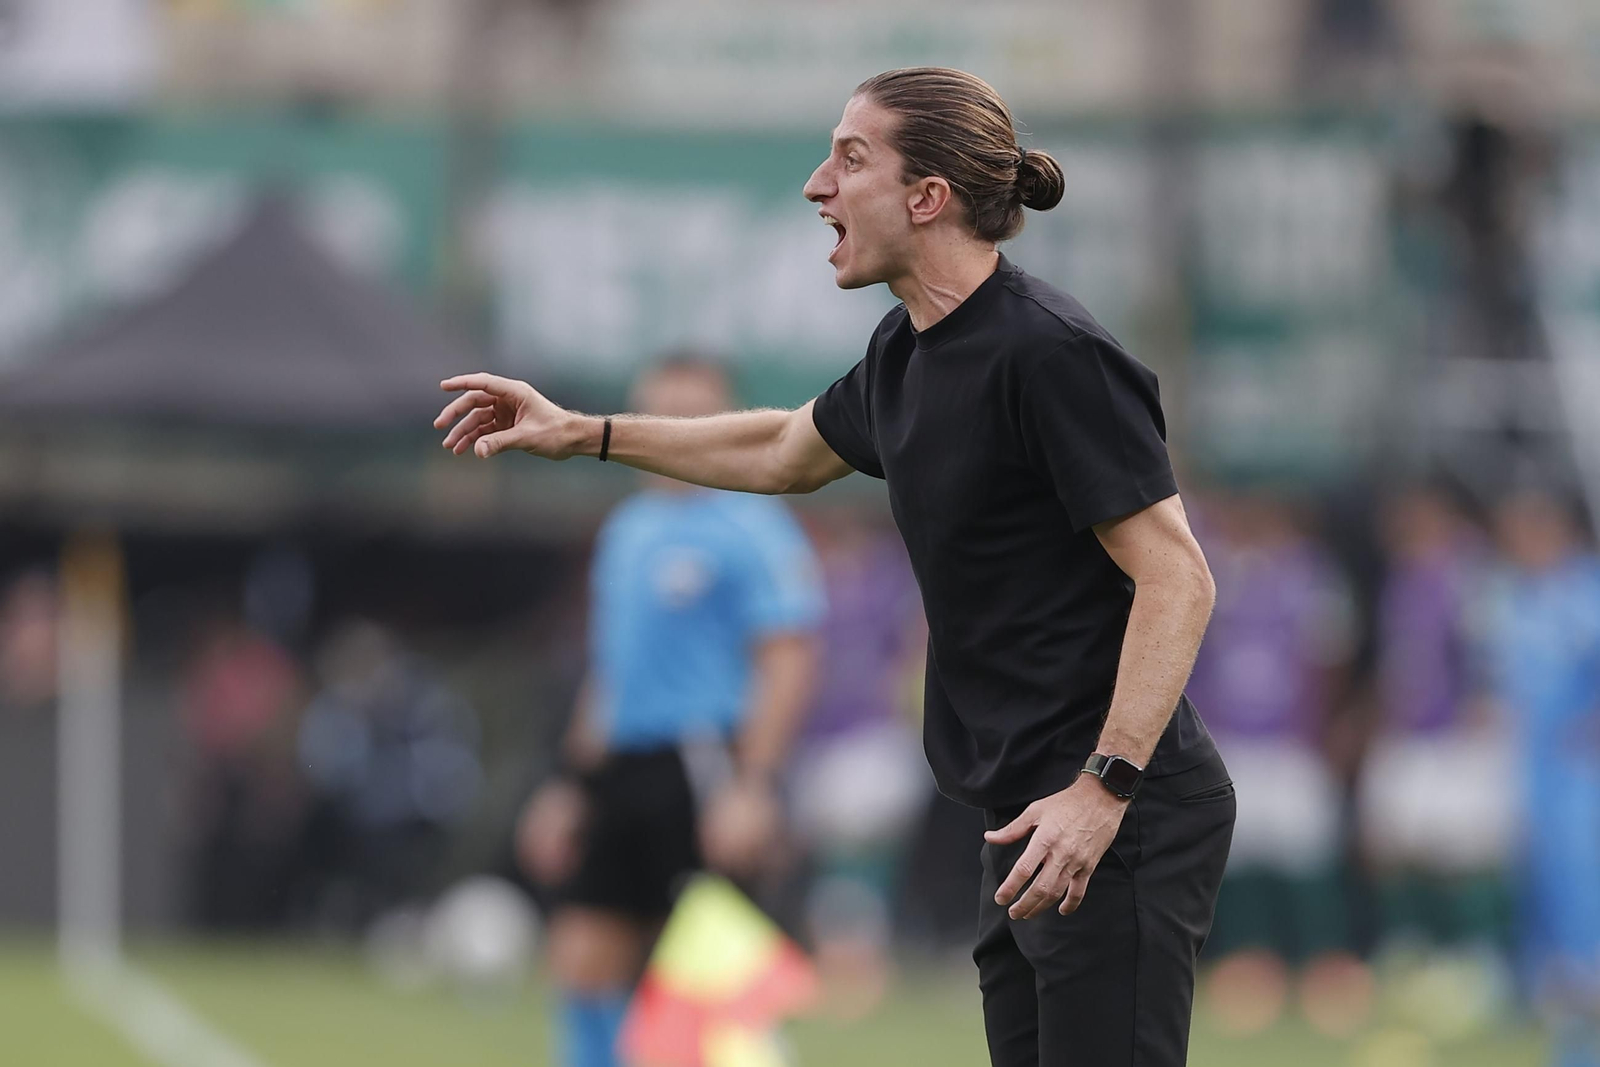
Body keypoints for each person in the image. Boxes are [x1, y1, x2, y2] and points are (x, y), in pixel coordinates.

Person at [438, 68, 1231, 1067]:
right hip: (1025, 812)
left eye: (851, 158)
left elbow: (1179, 577)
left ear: (926, 197)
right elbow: (779, 449)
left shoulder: (1050, 354)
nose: (818, 184)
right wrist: (585, 431)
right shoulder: (906, 351)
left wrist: (1103, 787)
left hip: (1112, 810)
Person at [512, 356, 825, 1067]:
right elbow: (611, 673)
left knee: (711, 986)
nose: (672, 431)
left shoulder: (754, 523)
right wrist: (570, 784)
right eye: (659, 412)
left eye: (692, 415)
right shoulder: (628, 528)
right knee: (583, 957)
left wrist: (753, 784)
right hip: (627, 764)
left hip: (705, 763)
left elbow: (789, 659)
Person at [1483, 490, 1600, 1067]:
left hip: (1579, 768)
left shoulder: (1588, 592)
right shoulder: (1513, 597)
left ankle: (1585, 997)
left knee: (1580, 875)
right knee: (1531, 876)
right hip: (1523, 763)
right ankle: (1541, 991)